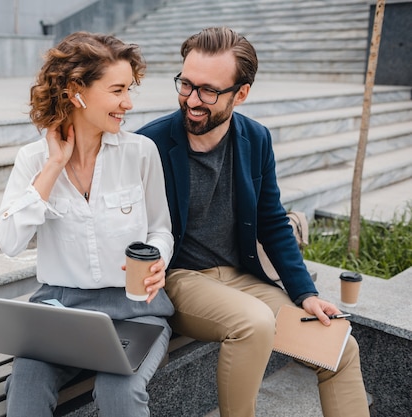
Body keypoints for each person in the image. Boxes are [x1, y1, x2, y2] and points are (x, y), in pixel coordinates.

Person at [136, 27, 370, 417]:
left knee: (340, 347)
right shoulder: (150, 144)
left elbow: (273, 223)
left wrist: (305, 294)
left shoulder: (256, 138)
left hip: (242, 277)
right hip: (179, 278)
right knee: (255, 324)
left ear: (240, 93)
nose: (191, 100)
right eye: (186, 84)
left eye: (207, 91)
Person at [0, 31, 174, 417]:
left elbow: (160, 229)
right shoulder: (33, 159)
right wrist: (53, 165)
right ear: (77, 90)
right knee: (23, 392)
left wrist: (157, 258)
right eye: (117, 90)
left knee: (119, 394)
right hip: (60, 310)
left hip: (134, 310)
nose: (127, 103)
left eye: (130, 89)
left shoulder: (141, 153)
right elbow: (8, 241)